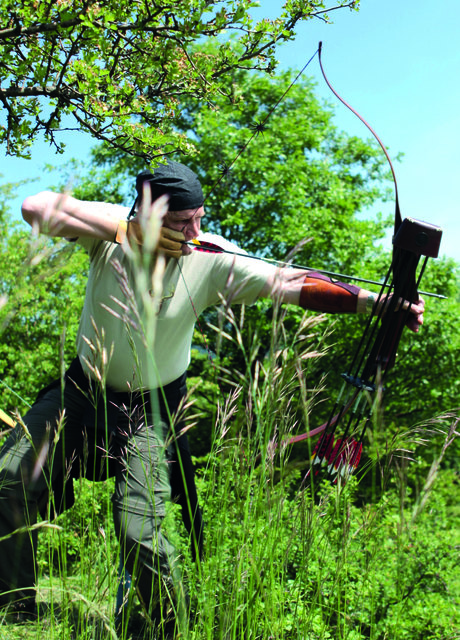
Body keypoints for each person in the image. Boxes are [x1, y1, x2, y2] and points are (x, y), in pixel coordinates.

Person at [0, 161, 424, 634]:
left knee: (140, 529)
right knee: (8, 477)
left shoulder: (209, 255)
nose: (195, 231)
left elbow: (286, 282)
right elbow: (33, 207)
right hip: (81, 392)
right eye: (182, 224)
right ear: (148, 214)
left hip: (152, 412)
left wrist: (372, 302)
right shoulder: (110, 234)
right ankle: (15, 607)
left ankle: (167, 625)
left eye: (199, 218)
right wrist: (130, 232)